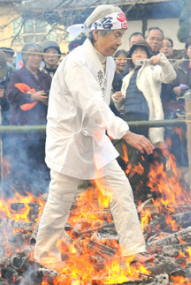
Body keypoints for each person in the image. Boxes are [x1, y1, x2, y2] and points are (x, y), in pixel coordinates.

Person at [34, 5, 154, 270]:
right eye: (115, 35)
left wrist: (113, 120)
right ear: (98, 32)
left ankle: (133, 250)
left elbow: (101, 102)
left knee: (121, 189)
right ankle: (45, 254)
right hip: (69, 139)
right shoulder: (77, 61)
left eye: (122, 35)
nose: (120, 42)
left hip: (95, 137)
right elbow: (91, 104)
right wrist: (125, 133)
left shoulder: (109, 61)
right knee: (60, 199)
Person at [112, 40, 176, 197]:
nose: (138, 55)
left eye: (142, 52)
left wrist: (161, 59)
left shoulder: (152, 70)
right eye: (135, 52)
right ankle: (136, 191)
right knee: (134, 155)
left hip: (147, 119)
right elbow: (122, 101)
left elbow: (170, 76)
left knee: (150, 154)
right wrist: (117, 98)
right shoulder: (127, 77)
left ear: (148, 56)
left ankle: (152, 190)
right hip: (130, 120)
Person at [6, 43, 52, 194]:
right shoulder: (17, 75)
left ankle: (43, 194)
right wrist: (32, 96)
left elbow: (56, 98)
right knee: (24, 165)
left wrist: (47, 100)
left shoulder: (46, 77)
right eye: (32, 55)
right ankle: (25, 196)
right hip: (23, 130)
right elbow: (11, 95)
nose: (36, 58)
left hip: (43, 129)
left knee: (44, 164)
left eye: (39, 55)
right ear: (25, 56)